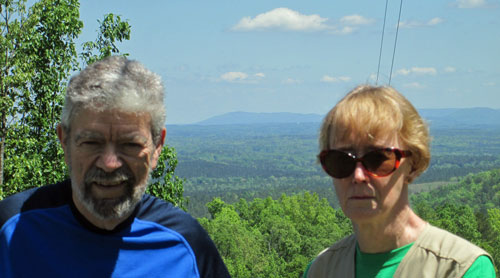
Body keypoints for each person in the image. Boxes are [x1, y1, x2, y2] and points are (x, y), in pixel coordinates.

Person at [0, 56, 230, 278]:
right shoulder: (10, 230)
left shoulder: (186, 244)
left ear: (157, 146)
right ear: (64, 142)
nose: (109, 164)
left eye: (130, 144)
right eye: (91, 142)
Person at [303, 85, 495, 277]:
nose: (358, 176)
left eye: (378, 159)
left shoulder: (461, 268)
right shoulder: (320, 270)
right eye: (341, 161)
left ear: (413, 164)